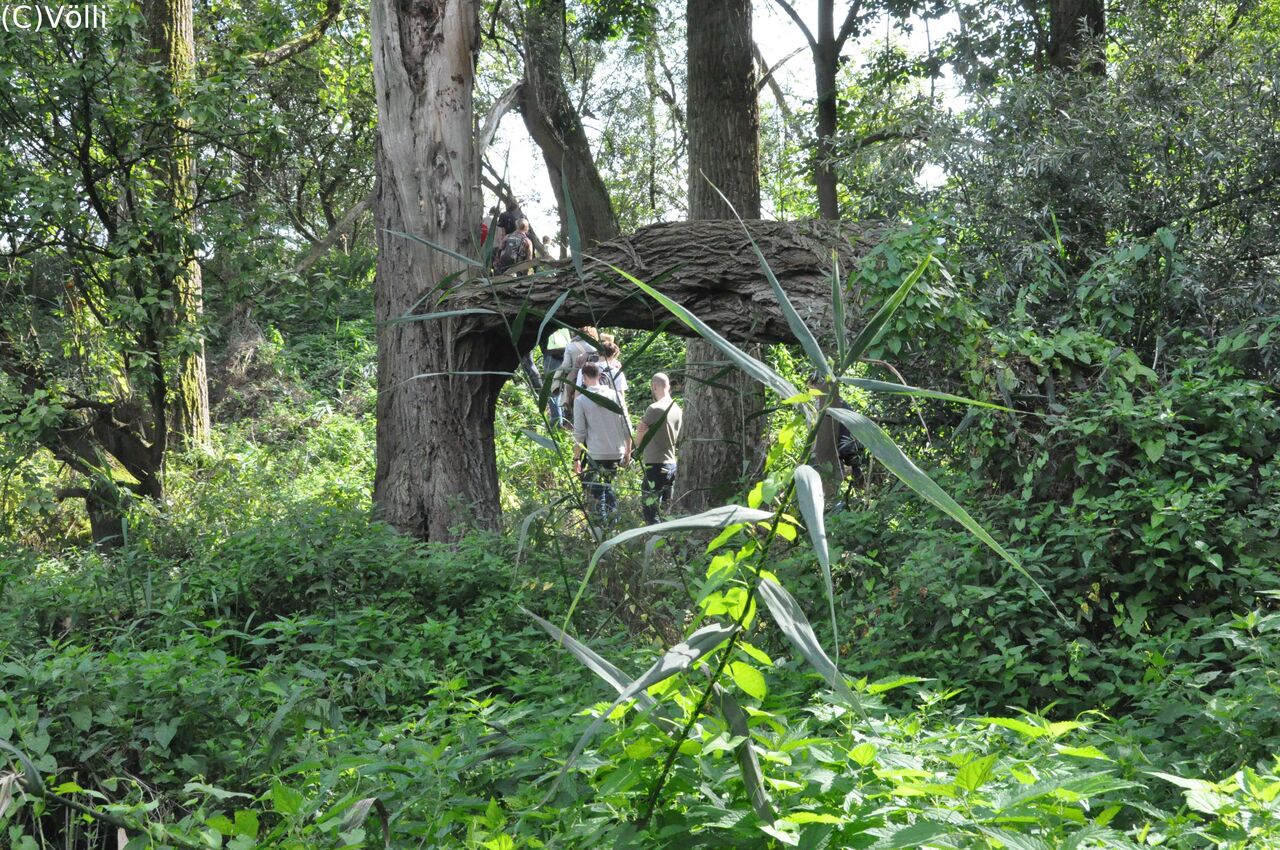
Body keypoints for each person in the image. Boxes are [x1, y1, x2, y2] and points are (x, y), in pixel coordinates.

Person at [573, 362, 632, 520]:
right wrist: (628, 452)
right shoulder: (616, 396)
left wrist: (576, 458)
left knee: (598, 492)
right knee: (607, 486)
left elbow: (579, 433)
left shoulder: (581, 401)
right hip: (616, 451)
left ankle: (604, 525)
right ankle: (614, 521)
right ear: (600, 376)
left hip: (597, 453)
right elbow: (626, 425)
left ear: (584, 378)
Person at [634, 372, 682, 524]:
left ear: (654, 387)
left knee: (651, 511)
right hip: (672, 464)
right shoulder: (677, 408)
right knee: (667, 509)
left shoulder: (654, 409)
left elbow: (639, 440)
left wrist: (639, 436)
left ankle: (655, 543)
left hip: (655, 465)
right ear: (668, 387)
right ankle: (668, 542)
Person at [543, 326, 572, 426]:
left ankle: (556, 423)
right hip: (565, 358)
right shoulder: (563, 326)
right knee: (562, 389)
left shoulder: (546, 324)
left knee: (553, 391)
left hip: (552, 357)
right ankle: (562, 418)